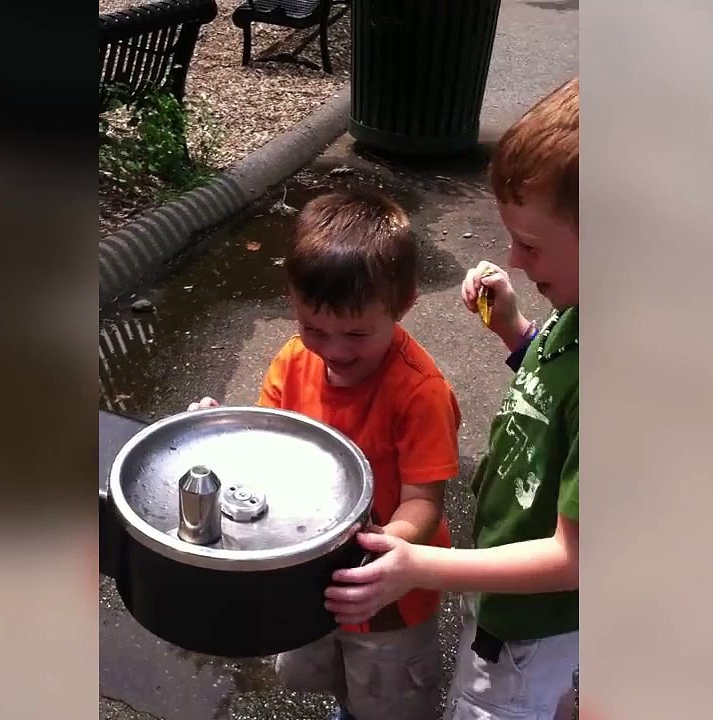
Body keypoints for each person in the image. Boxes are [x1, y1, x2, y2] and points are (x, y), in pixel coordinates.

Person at [322, 77, 581, 719]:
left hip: (532, 628)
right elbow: (557, 391)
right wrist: (516, 333)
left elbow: (573, 558)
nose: (513, 261)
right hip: (505, 600)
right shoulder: (579, 312)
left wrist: (424, 565)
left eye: (532, 244)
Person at [187, 189, 460, 720]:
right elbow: (264, 446)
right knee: (328, 671)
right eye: (314, 328)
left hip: (385, 595)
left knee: (387, 696)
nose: (334, 350)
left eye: (356, 332)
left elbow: (424, 503)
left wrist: (384, 552)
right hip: (309, 573)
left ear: (402, 307)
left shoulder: (420, 393)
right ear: (293, 304)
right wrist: (215, 435)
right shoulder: (293, 362)